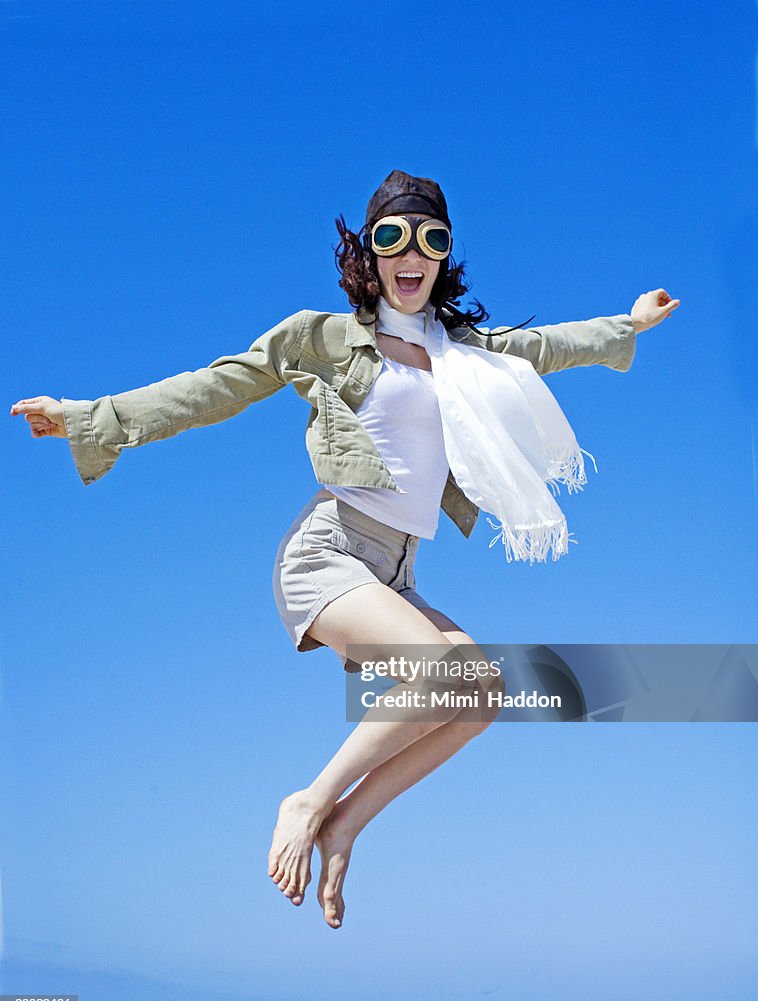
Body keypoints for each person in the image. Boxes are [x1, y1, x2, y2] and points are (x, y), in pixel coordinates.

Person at [10, 169, 680, 929]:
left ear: (444, 254)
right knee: (443, 673)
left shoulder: (468, 351)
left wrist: (627, 326)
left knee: (478, 696)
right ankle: (308, 800)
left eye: (431, 238)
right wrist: (88, 417)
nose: (411, 253)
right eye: (393, 236)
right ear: (370, 250)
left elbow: (548, 345)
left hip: (395, 573)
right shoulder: (325, 338)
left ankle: (345, 823)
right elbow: (214, 387)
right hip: (329, 554)